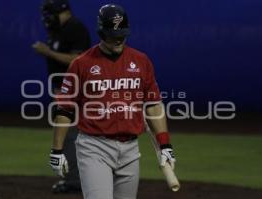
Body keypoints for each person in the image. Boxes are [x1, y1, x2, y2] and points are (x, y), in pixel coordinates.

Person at [49, 4, 176, 199]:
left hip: (131, 150)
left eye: (122, 34)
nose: (118, 39)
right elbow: (64, 109)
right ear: (101, 33)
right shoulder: (81, 64)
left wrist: (165, 145)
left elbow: (153, 105)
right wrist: (56, 150)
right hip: (94, 148)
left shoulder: (141, 61)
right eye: (112, 35)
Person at [32, 0, 91, 194]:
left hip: (74, 91)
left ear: (61, 11)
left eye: (49, 13)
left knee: (70, 135)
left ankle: (78, 180)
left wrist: (48, 52)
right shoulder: (59, 29)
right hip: (64, 90)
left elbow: (78, 59)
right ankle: (79, 178)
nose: (46, 18)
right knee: (70, 135)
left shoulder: (75, 28)